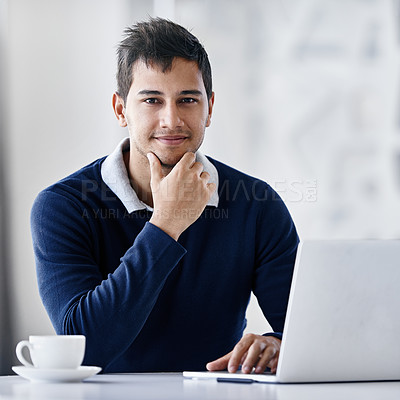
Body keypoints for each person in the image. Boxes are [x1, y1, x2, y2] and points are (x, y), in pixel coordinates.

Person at [31, 17, 299, 374]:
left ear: (210, 108)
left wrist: (277, 343)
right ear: (121, 109)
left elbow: (307, 331)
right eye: (152, 100)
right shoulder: (62, 207)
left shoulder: (256, 204)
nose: (171, 119)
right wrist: (166, 223)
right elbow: (85, 346)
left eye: (187, 99)